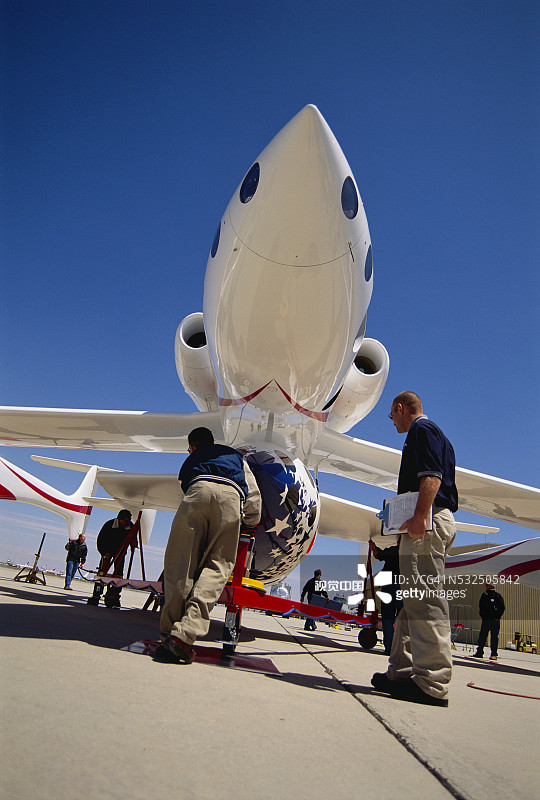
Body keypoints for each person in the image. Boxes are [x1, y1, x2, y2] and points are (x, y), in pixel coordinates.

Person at [371, 391, 458, 707]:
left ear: (399, 408)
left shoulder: (422, 429)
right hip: (427, 521)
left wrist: (420, 515)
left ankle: (432, 683)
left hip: (428, 521)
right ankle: (402, 673)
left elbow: (431, 476)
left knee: (426, 601)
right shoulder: (433, 434)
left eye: (391, 415)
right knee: (412, 606)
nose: (391, 421)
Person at [155, 427, 261, 665]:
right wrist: (251, 520)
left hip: (197, 491)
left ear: (192, 446)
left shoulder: (193, 458)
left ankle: (168, 634)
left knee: (180, 563)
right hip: (232, 498)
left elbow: (184, 486)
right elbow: (253, 493)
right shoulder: (235, 457)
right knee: (218, 566)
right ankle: (185, 635)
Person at [87, 509, 133, 608]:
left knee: (118, 574)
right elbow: (100, 540)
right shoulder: (109, 525)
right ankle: (96, 594)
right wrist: (104, 553)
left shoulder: (130, 526)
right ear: (119, 519)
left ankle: (114, 595)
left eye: (129, 520)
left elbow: (133, 537)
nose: (127, 522)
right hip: (107, 551)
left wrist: (133, 544)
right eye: (125, 520)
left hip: (120, 553)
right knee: (102, 573)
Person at [369, 540, 403, 654]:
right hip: (403, 584)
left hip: (388, 583)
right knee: (403, 616)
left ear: (398, 541)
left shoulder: (392, 550)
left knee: (388, 617)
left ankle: (389, 647)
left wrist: (373, 546)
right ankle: (401, 647)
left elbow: (377, 555)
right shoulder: (410, 552)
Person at [473, 584, 505, 660]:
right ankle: (479, 651)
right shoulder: (484, 596)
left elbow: (502, 607)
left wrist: (497, 617)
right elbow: (481, 606)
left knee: (494, 637)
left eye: (487, 585)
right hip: (486, 620)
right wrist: (483, 616)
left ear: (492, 586)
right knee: (482, 636)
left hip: (494, 621)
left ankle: (494, 653)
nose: (486, 586)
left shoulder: (497, 596)